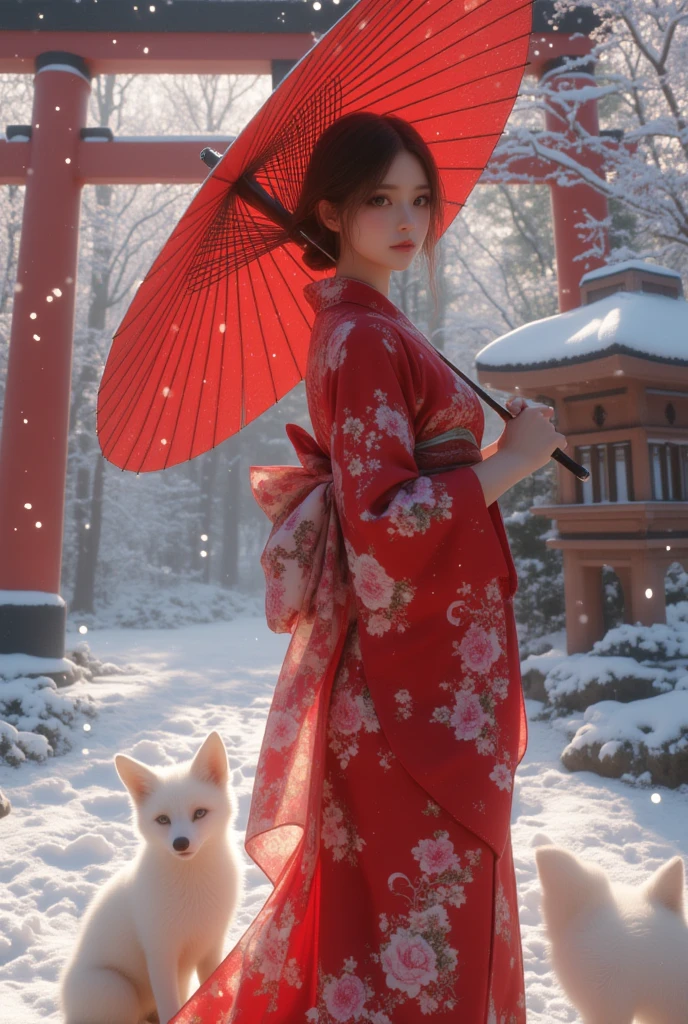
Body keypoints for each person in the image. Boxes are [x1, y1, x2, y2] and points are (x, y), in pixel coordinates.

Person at [170, 112, 567, 1024]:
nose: (407, 219)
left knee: (413, 904)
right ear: (330, 212)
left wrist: (500, 447)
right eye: (378, 199)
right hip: (406, 689)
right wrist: (512, 463)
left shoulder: (380, 331)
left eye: (419, 198)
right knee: (422, 905)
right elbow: (382, 526)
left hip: (427, 667)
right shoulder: (360, 338)